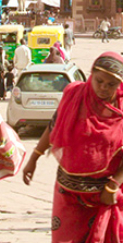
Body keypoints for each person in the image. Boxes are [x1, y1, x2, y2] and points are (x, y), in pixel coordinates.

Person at [23, 52, 123, 242]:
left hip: (104, 196)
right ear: (91, 75)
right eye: (99, 81)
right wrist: (34, 158)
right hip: (67, 194)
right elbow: (53, 126)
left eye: (111, 85)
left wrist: (114, 185)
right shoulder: (74, 95)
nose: (103, 88)